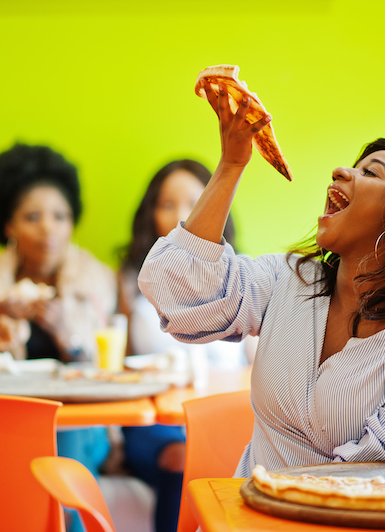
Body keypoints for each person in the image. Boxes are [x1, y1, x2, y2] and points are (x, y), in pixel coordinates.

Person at [138, 83, 385, 478]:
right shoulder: (287, 279)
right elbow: (174, 291)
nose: (341, 171)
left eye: (370, 172)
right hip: (247, 515)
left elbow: (381, 481)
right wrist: (230, 165)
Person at [0, 144, 114, 516]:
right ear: (9, 226)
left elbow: (108, 373)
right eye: (33, 216)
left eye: (60, 216)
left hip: (80, 422)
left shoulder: (97, 283)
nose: (48, 228)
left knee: (67, 443)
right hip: (7, 421)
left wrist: (68, 336)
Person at [118, 159, 255, 532]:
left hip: (221, 414)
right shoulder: (130, 279)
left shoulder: (243, 278)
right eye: (167, 205)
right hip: (160, 424)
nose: (181, 216)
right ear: (150, 214)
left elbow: (258, 363)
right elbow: (114, 360)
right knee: (182, 456)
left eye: (194, 203)